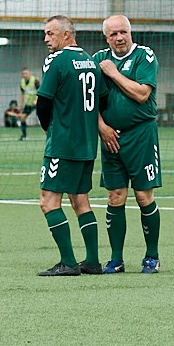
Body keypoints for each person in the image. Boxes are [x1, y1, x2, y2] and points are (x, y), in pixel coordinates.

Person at [94, 15, 163, 274]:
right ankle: (116, 260)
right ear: (106, 38)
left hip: (141, 135)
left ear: (130, 32)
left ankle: (152, 256)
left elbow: (142, 94)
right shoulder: (97, 59)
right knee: (115, 196)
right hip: (110, 137)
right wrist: (101, 127)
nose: (119, 37)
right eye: (113, 34)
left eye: (123, 32)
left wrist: (113, 73)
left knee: (143, 195)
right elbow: (89, 99)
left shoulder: (144, 56)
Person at [34, 15, 102, 277]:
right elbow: (102, 100)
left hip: (63, 143)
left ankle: (68, 262)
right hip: (87, 144)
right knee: (80, 200)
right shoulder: (91, 61)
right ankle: (93, 262)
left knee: (48, 201)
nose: (46, 39)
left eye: (50, 33)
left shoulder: (58, 61)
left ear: (66, 34)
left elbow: (43, 102)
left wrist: (47, 128)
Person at [18, 69, 38, 141]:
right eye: (23, 73)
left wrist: (36, 100)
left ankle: (50, 135)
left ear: (29, 74)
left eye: (26, 73)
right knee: (22, 118)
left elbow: (41, 90)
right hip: (29, 103)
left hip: (38, 102)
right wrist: (20, 105)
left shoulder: (35, 81)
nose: (24, 75)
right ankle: (24, 136)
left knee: (45, 119)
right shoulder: (22, 82)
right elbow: (22, 94)